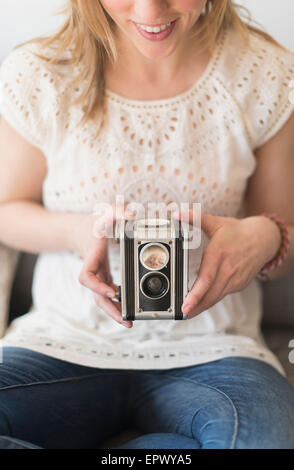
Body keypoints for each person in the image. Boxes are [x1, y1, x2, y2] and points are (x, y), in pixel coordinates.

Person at [0, 0, 294, 450]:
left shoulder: (266, 74)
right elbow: (6, 209)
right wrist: (78, 233)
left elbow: (283, 229)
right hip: (60, 343)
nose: (151, 10)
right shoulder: (38, 72)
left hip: (215, 350)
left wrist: (266, 236)